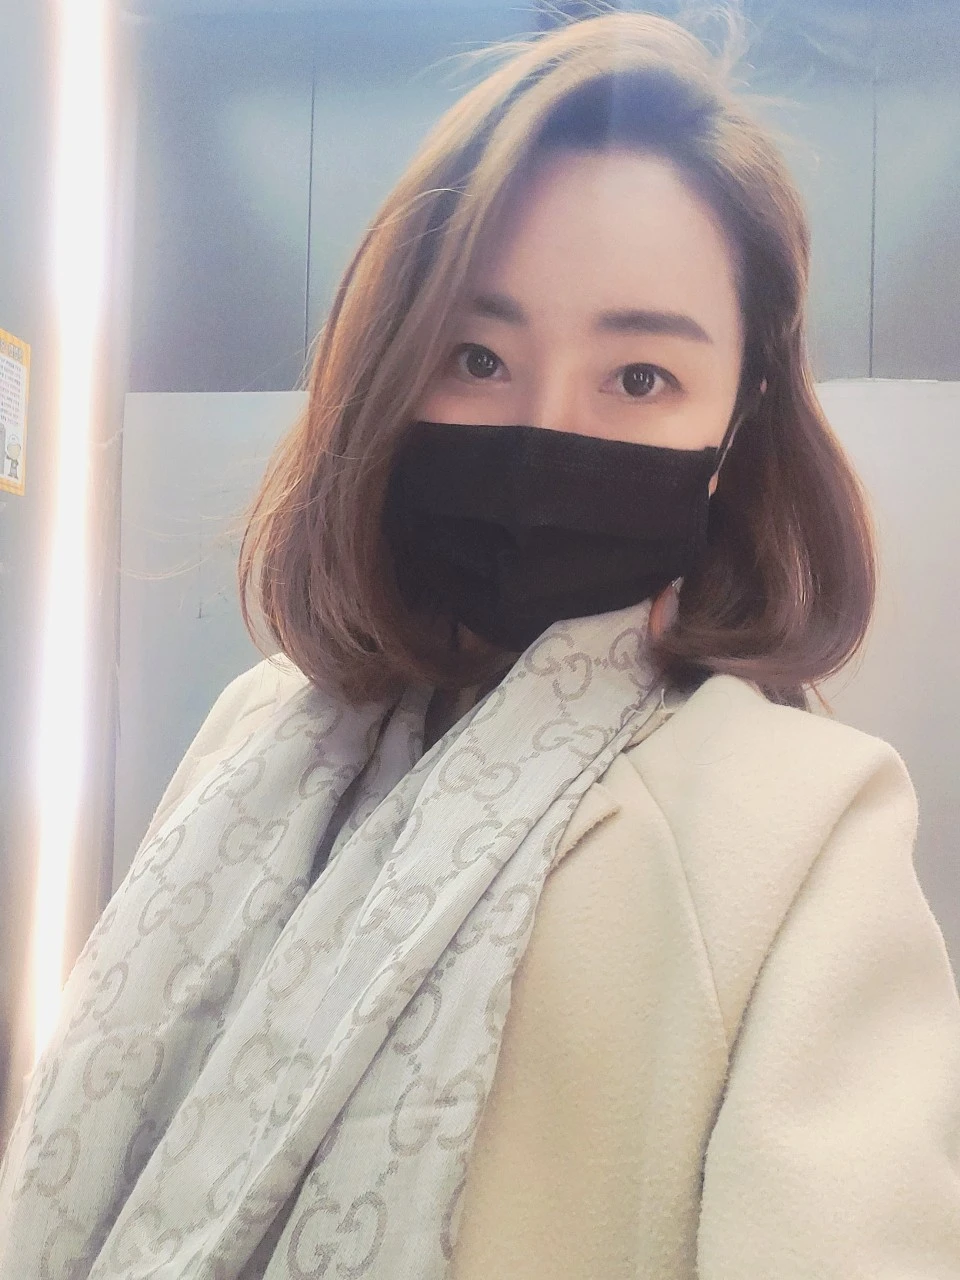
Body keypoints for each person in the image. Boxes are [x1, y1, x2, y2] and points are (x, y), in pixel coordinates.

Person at [2, 9, 959, 1279]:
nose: (544, 429)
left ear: (737, 426)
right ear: (391, 370)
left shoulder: (805, 828)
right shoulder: (256, 727)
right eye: (477, 355)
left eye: (640, 378)